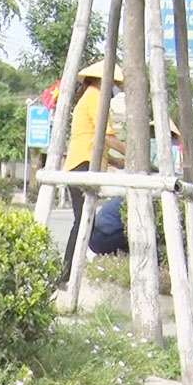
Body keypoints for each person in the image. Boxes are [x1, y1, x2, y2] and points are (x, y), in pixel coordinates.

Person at [61, 60, 127, 285]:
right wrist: (133, 152)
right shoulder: (96, 96)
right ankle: (66, 273)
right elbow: (107, 137)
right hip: (83, 163)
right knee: (82, 221)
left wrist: (118, 162)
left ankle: (69, 273)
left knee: (83, 221)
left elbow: (98, 139)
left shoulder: (88, 96)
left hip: (81, 162)